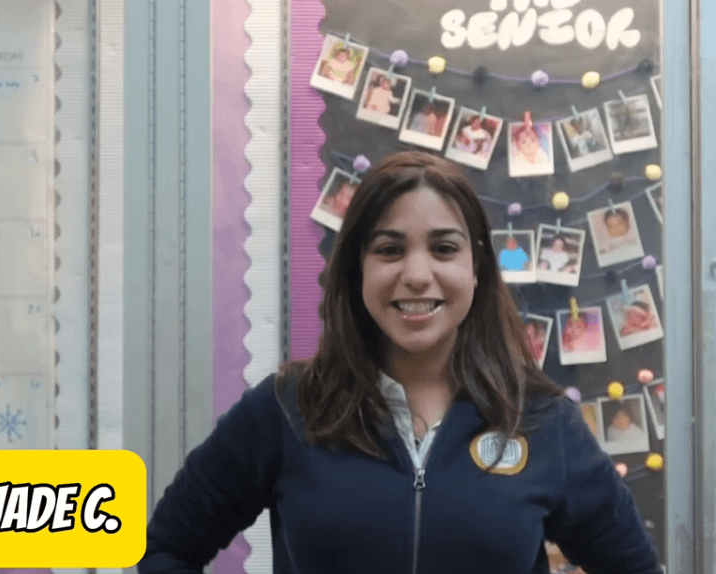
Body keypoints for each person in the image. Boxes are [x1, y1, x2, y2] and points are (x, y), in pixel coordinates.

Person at [138, 151, 661, 574]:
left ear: (476, 268)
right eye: (389, 250)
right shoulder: (287, 410)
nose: (416, 274)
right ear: (357, 270)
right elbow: (166, 548)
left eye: (444, 248)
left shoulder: (542, 421)